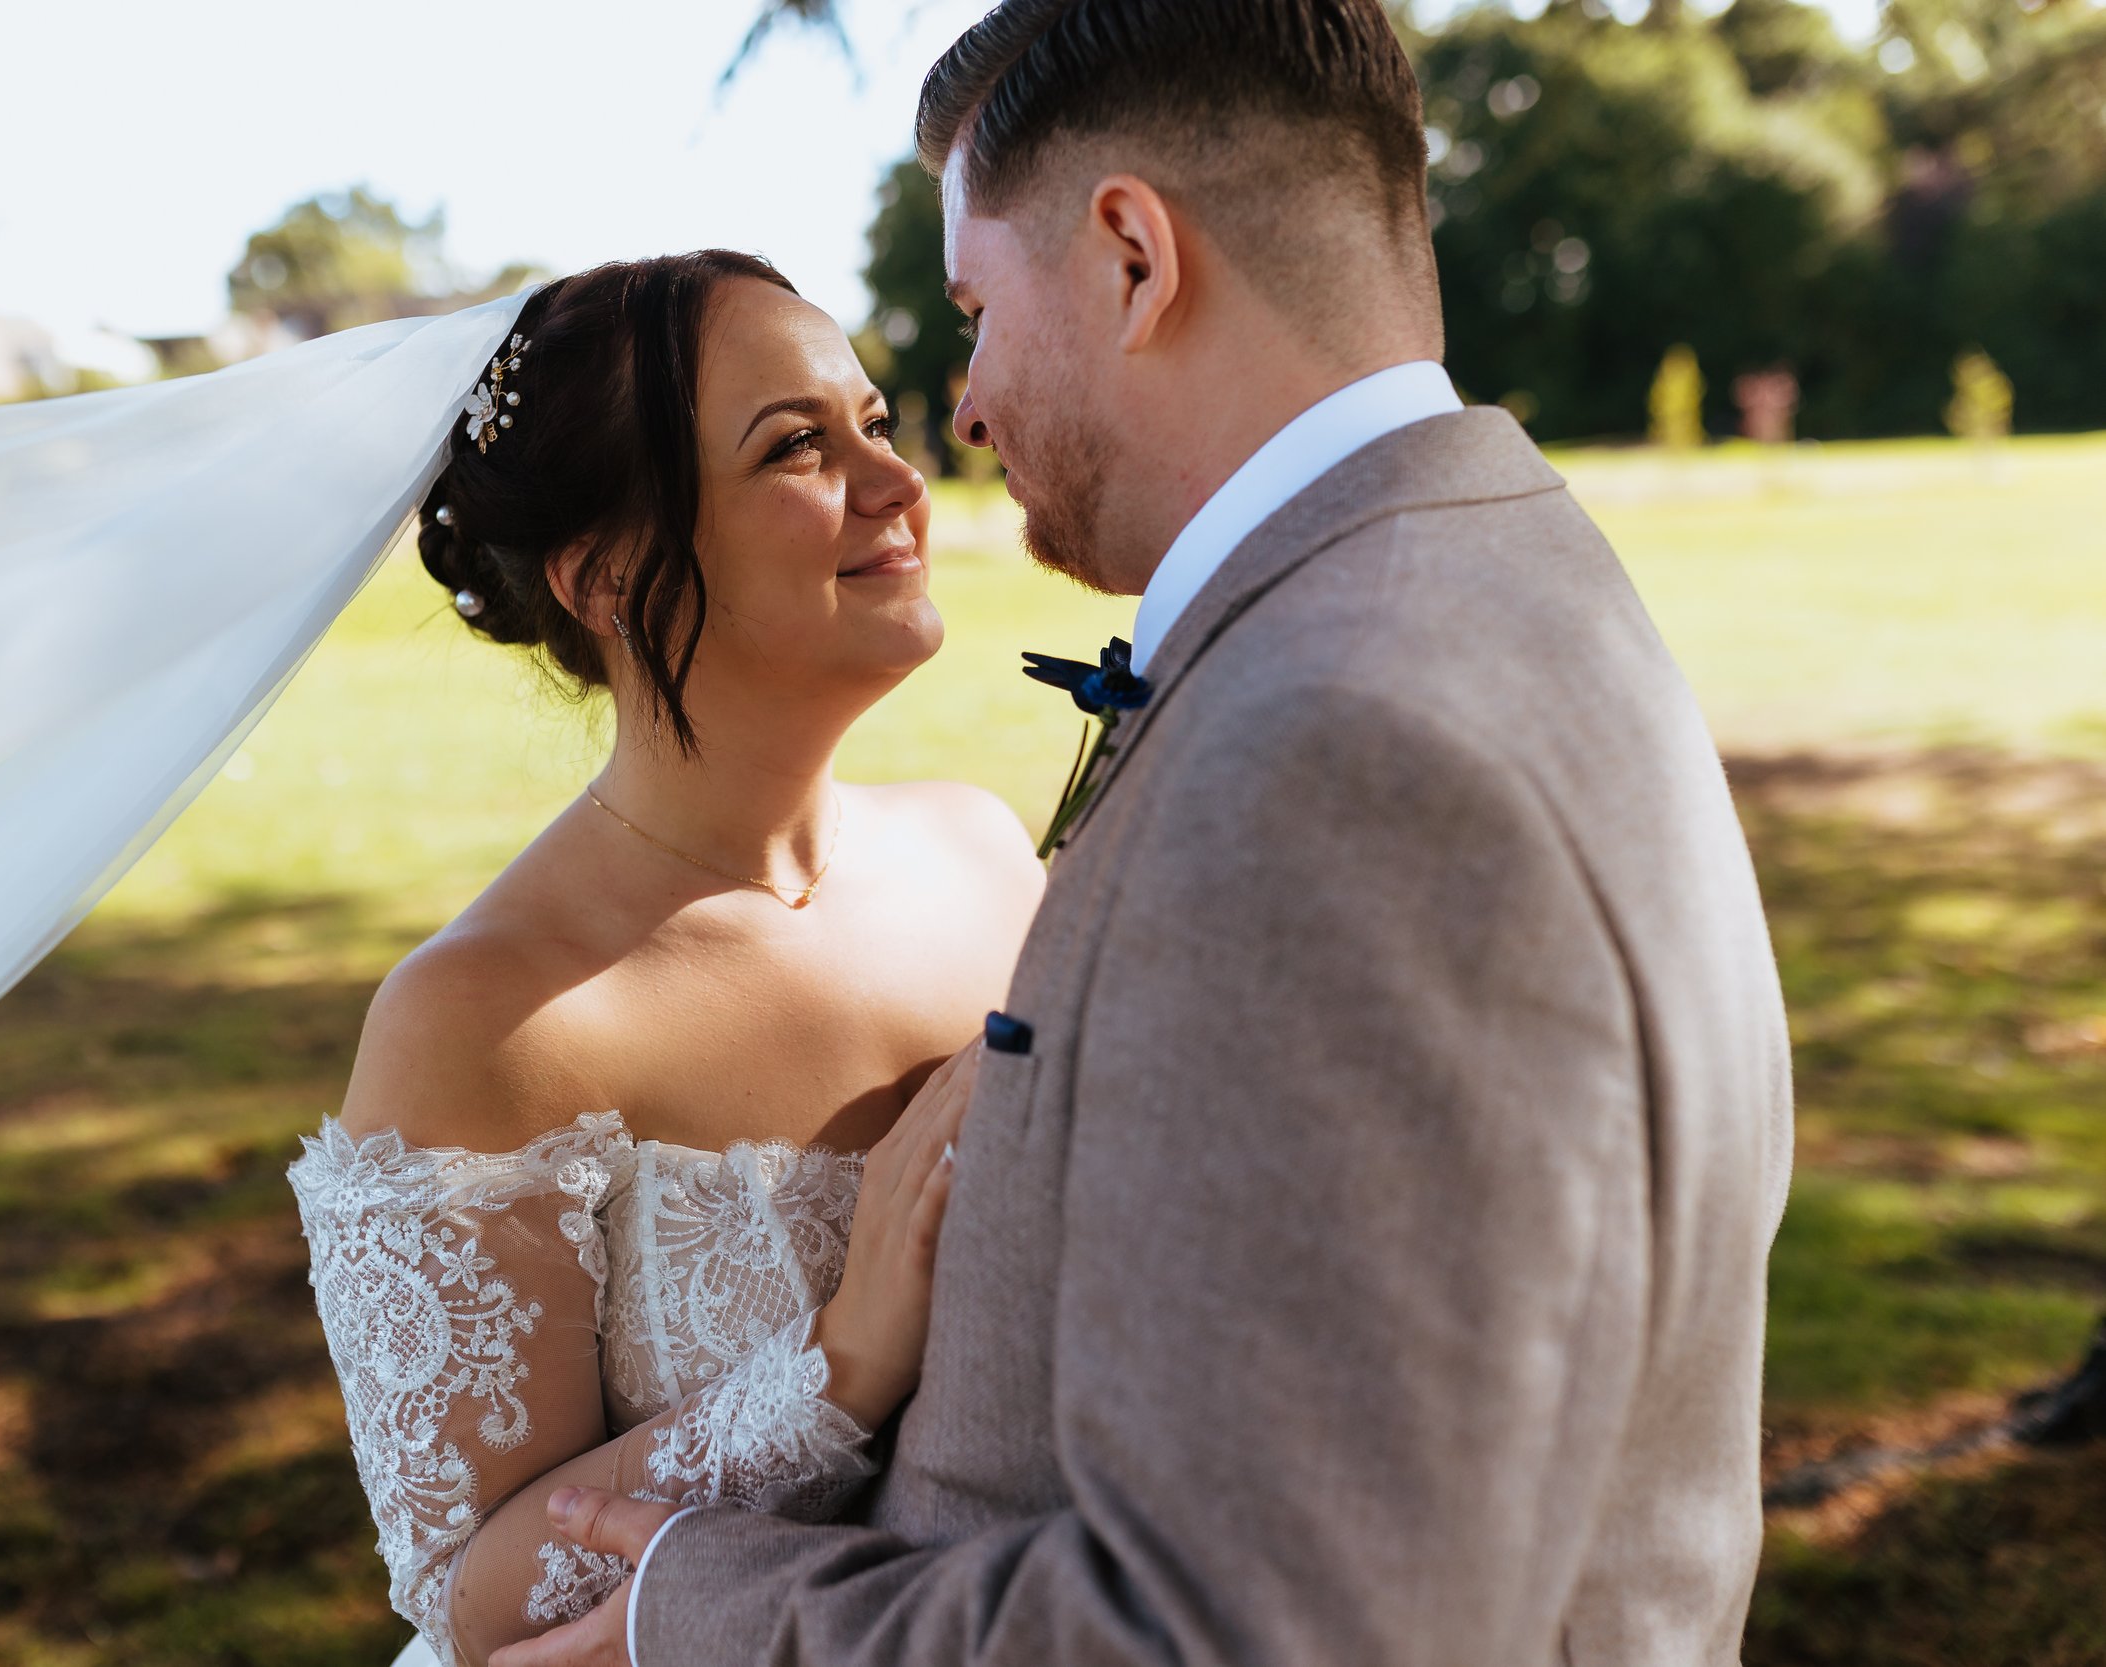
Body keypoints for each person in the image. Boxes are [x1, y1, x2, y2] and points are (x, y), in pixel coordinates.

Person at [504, 2, 1795, 1665]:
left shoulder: (1328, 752)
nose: (959, 412)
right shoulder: (1504, 572)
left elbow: (1257, 1628)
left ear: (1129, 254)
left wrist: (691, 1617)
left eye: (974, 313)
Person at [288, 249, 1046, 1667]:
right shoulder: (490, 1016)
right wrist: (842, 1365)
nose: (897, 485)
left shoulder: (992, 859)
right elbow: (474, 1601)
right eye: (797, 449)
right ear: (607, 573)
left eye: (876, 424)